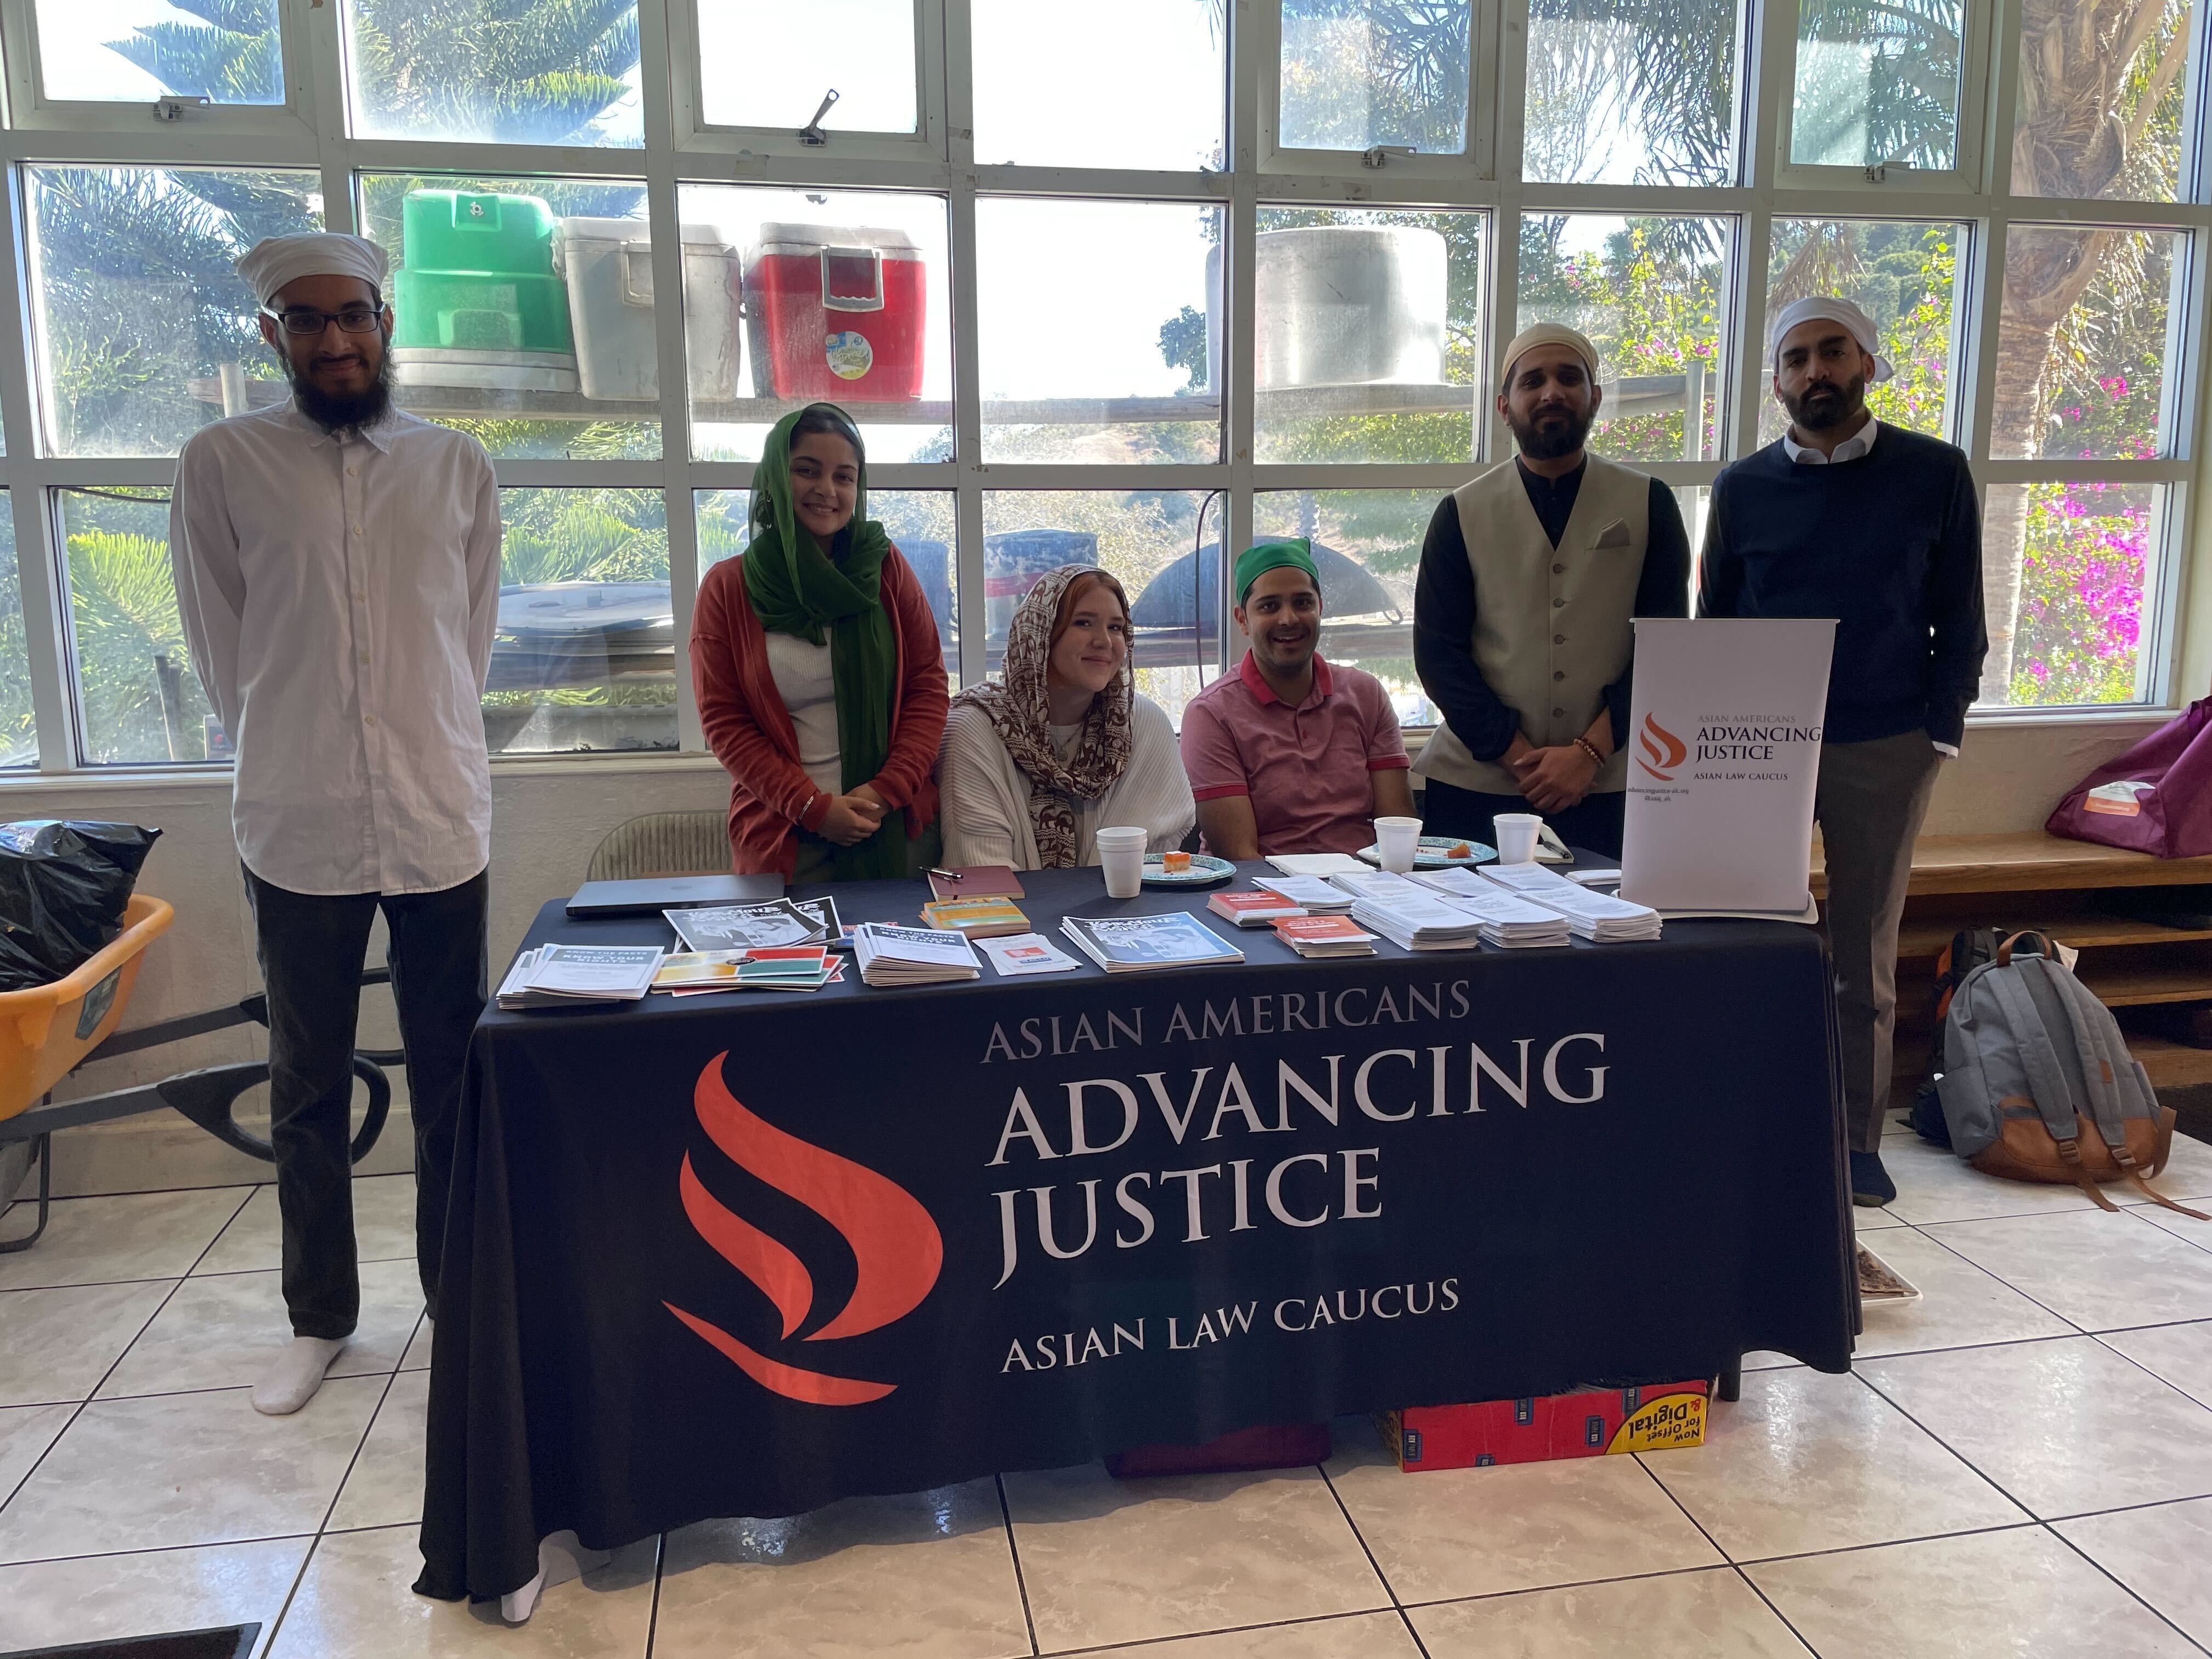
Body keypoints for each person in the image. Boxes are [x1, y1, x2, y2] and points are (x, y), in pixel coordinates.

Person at [169, 233, 500, 1417]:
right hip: (297, 818)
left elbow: (466, 640)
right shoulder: (223, 462)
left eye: (352, 315)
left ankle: (457, 1308)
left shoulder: (455, 465)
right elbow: (225, 652)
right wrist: (300, 739)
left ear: (385, 321)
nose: (336, 339)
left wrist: (419, 742)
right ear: (273, 338)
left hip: (435, 816)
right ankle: (320, 1317)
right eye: (306, 323)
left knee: (455, 1076)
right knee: (305, 1077)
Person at [1701, 296, 1985, 1206]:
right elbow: (1717, 621)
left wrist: (1938, 728)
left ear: (1867, 363)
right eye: (1796, 358)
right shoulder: (1742, 487)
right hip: (1760, 747)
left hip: (1885, 741)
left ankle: (1854, 1140)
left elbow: (1962, 617)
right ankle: (1749, 1128)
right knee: (1752, 945)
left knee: (1861, 950)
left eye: (1832, 353)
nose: (1814, 371)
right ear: (1775, 382)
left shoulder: (1934, 472)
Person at [1412, 323, 1691, 860]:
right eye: (1532, 381)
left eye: (1570, 378)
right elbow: (1439, 656)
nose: (1552, 392)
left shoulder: (1650, 502)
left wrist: (1588, 754)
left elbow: (1665, 649)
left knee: (1613, 939)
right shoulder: (1459, 514)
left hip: (1610, 785)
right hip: (1476, 785)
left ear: (1595, 398)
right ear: (1504, 405)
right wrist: (1519, 757)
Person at [691, 404, 949, 882]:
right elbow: (725, 723)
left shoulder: (884, 567)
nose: (827, 490)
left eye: (844, 476)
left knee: (906, 960)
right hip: (786, 837)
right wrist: (812, 808)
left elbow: (927, 687)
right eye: (807, 471)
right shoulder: (728, 588)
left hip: (893, 829)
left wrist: (885, 791)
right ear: (773, 478)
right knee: (797, 959)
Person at [938, 565, 1194, 868]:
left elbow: (1149, 864)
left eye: (1116, 627)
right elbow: (981, 869)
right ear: (1041, 633)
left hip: (1119, 912)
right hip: (1005, 912)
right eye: (1084, 623)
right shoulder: (977, 724)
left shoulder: (1142, 724)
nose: (1105, 642)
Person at [1178, 538, 1412, 857]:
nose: (1288, 619)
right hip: (1263, 893)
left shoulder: (1366, 695)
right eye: (1269, 606)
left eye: (1303, 603)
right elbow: (1240, 858)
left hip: (1366, 890)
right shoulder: (1211, 714)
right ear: (1242, 620)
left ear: (1320, 608)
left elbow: (1398, 833)